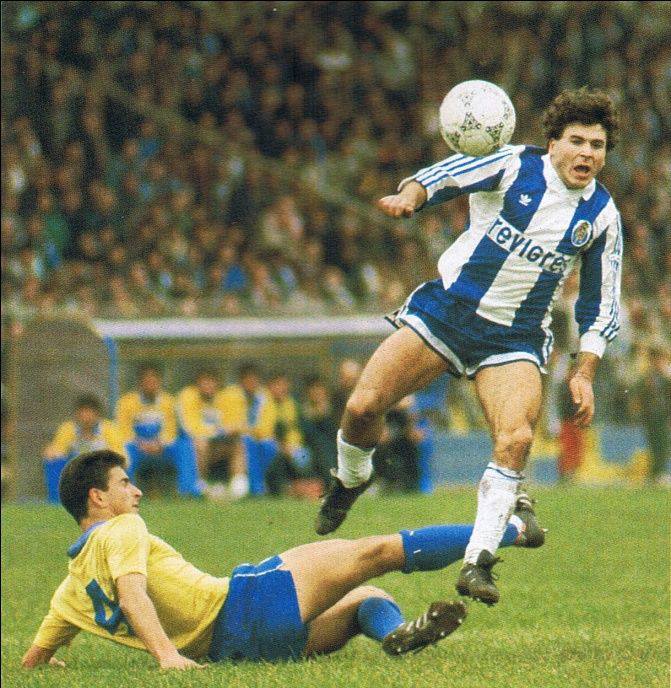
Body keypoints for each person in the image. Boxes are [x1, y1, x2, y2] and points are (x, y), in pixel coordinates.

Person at [315, 88, 621, 605]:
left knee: (516, 438)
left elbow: (601, 304)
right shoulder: (513, 165)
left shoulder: (603, 216)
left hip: (514, 337)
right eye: (578, 141)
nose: (588, 153)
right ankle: (350, 479)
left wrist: (585, 371)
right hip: (448, 313)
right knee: (363, 407)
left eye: (598, 145)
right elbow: (446, 175)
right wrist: (411, 196)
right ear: (553, 143)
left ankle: (478, 563)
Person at [21, 449, 545, 671]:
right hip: (247, 603)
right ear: (97, 498)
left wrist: (46, 663)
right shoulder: (122, 529)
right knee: (378, 551)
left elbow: (34, 660)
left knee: (367, 597)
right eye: (124, 483)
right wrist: (165, 657)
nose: (136, 492)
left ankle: (394, 633)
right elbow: (133, 593)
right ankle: (516, 529)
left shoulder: (69, 590)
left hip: (237, 652)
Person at [116, 364, 201, 497]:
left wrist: (160, 443)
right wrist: (140, 443)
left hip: (163, 447)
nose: (150, 385)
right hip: (137, 447)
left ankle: (188, 490)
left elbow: (171, 428)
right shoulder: (126, 402)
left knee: (184, 445)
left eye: (154, 381)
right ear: (140, 382)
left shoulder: (169, 401)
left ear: (160, 382)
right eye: (147, 381)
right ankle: (125, 492)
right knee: (123, 449)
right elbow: (123, 429)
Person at [175, 369, 248, 499]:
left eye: (211, 382)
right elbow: (190, 428)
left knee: (238, 444)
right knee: (200, 444)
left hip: (218, 443)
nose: (208, 386)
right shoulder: (188, 396)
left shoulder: (226, 397)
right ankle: (200, 486)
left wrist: (228, 430)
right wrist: (219, 431)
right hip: (194, 445)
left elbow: (239, 424)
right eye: (204, 382)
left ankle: (239, 489)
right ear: (197, 383)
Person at [43, 395, 126, 503]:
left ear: (97, 414)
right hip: (76, 468)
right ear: (76, 414)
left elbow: (119, 455)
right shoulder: (68, 429)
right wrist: (51, 452)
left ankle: (118, 499)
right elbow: (57, 450)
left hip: (101, 469)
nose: (86, 417)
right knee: (53, 462)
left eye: (89, 413)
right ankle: (57, 501)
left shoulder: (109, 429)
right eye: (82, 413)